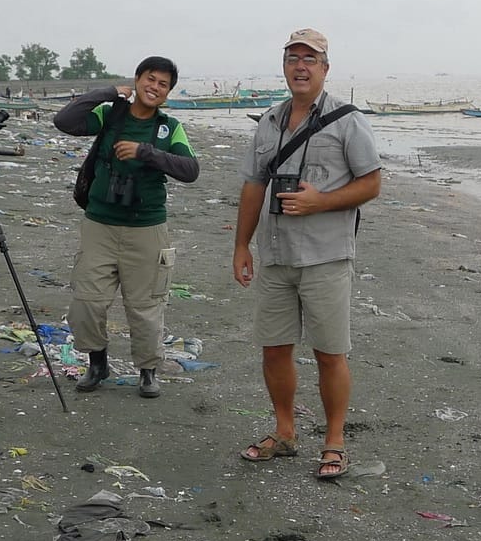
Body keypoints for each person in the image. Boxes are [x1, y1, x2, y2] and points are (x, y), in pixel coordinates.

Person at [232, 29, 382, 479]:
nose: (300, 66)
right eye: (293, 58)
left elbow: (371, 183)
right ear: (284, 66)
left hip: (325, 255)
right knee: (274, 349)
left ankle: (334, 441)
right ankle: (284, 432)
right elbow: (253, 185)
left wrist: (321, 201)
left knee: (329, 352)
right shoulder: (269, 121)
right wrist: (241, 244)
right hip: (276, 253)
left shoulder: (347, 120)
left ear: (325, 68)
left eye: (310, 59)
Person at [54, 56, 199, 398]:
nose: (154, 87)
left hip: (147, 228)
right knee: (87, 302)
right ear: (136, 80)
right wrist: (106, 92)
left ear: (167, 94)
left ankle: (148, 371)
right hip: (99, 226)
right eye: (149, 79)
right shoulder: (110, 115)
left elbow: (190, 169)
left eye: (163, 84)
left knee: (146, 306)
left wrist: (146, 152)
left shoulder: (169, 127)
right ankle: (97, 362)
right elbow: (64, 120)